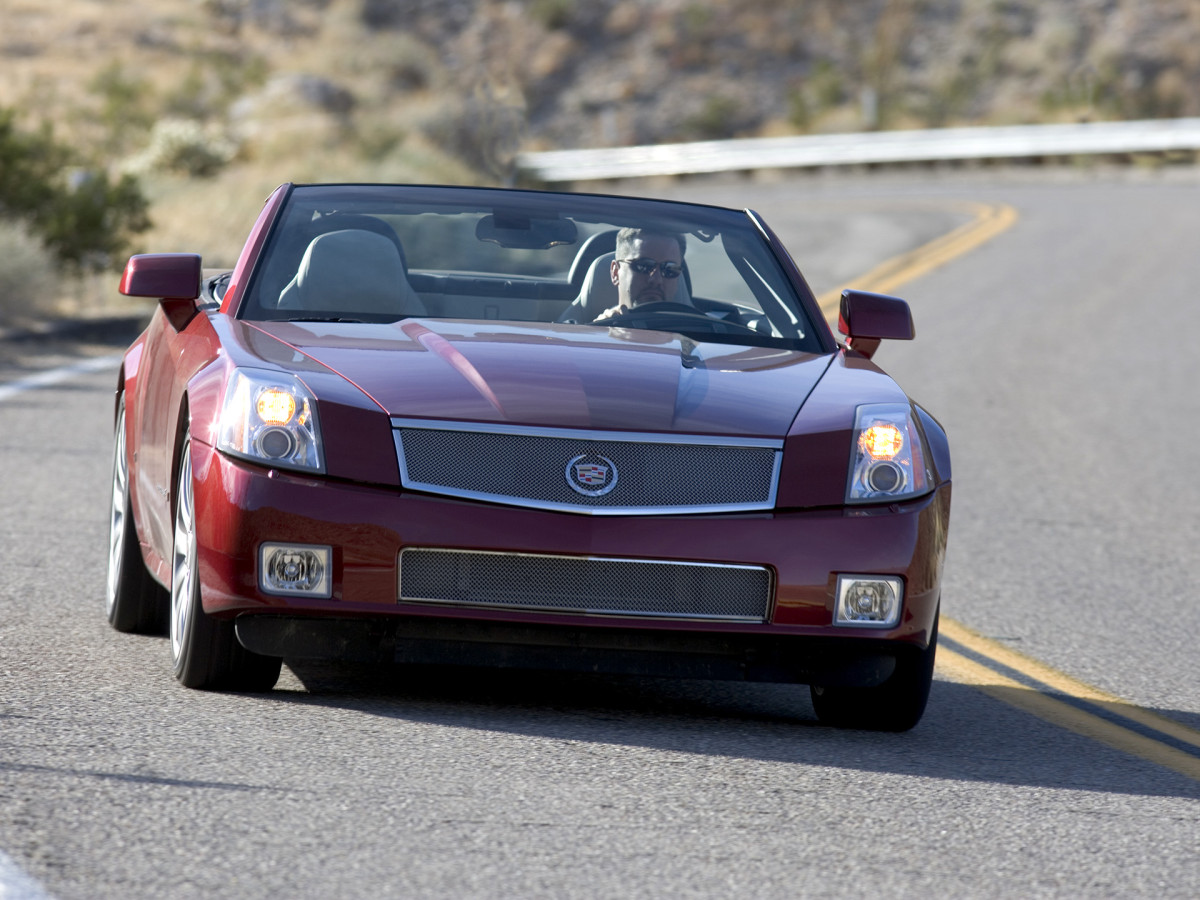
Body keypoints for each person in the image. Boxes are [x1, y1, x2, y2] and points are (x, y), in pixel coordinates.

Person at [595, 227, 687, 320]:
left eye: (669, 269)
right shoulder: (593, 333)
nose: (656, 280)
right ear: (615, 272)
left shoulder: (695, 331)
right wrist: (604, 330)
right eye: (644, 266)